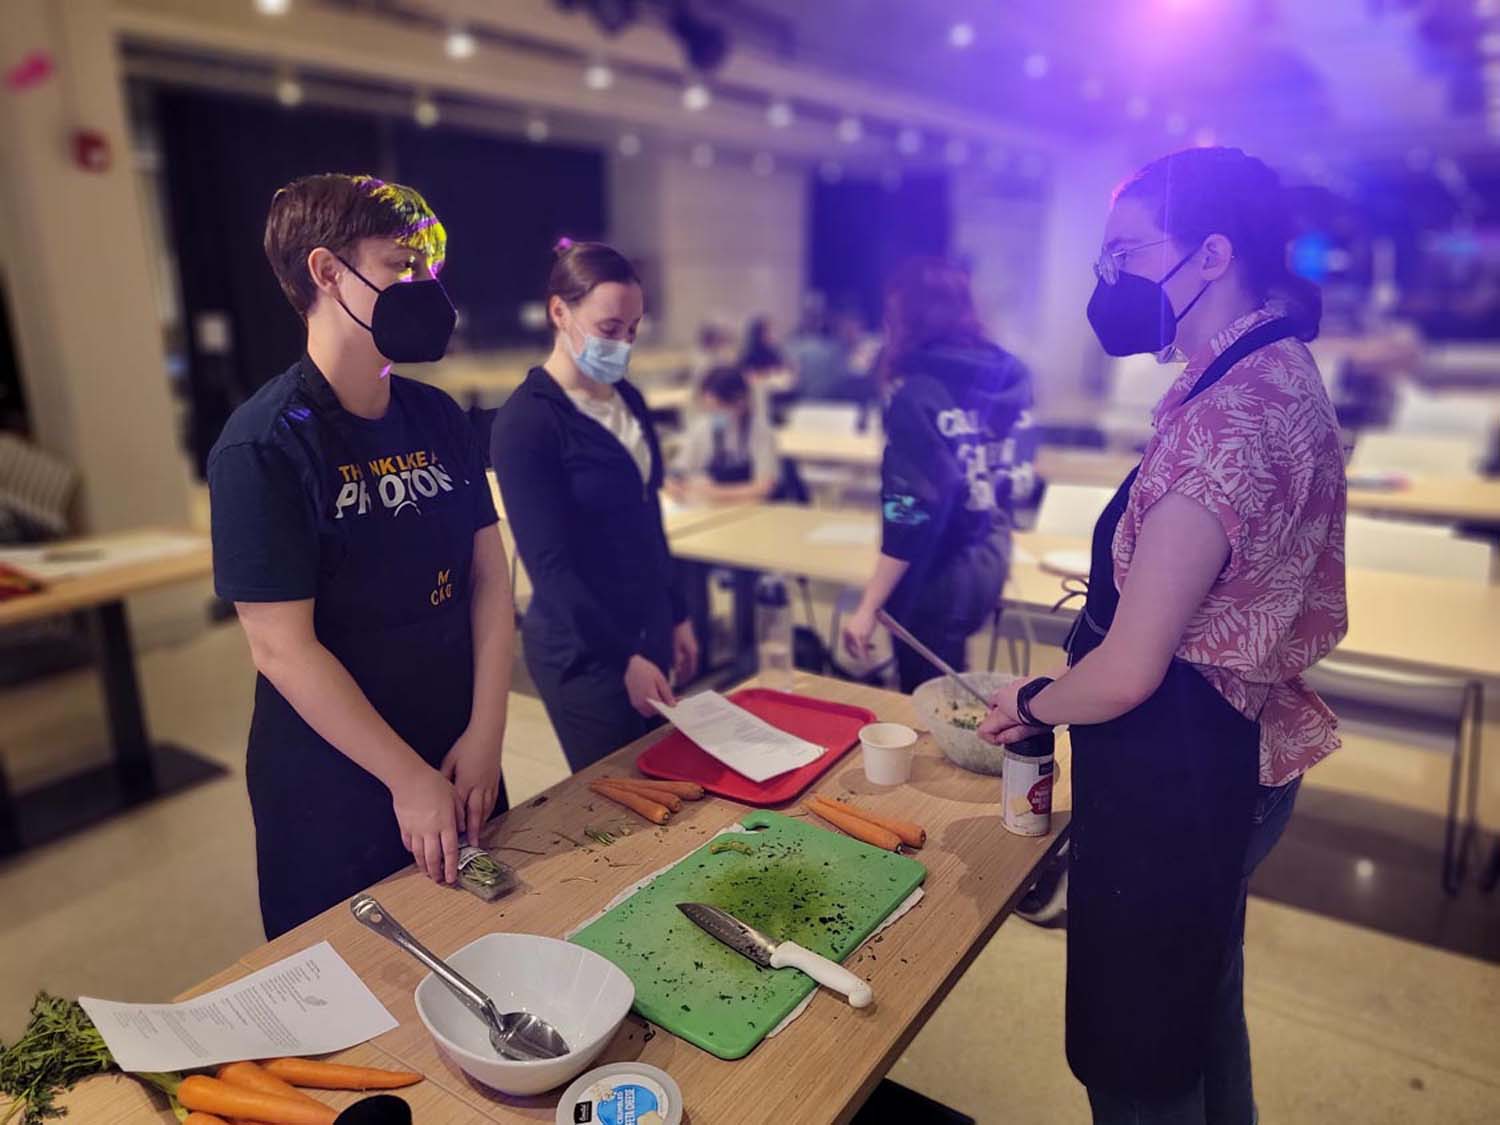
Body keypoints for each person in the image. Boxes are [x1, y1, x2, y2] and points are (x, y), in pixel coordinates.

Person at [980, 147, 1348, 1124]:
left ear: (1212, 255)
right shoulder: (1275, 367)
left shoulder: (1229, 414)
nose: (1110, 282)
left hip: (1184, 770)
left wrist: (1027, 702)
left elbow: (1130, 673)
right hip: (1234, 752)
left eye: (1127, 254)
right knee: (1200, 1006)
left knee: (1139, 1049)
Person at [208, 174, 514, 939]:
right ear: (325, 272)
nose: (425, 289)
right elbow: (282, 648)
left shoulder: (437, 416)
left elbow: (489, 579)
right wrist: (405, 776)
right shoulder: (265, 444)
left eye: (430, 270)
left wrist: (487, 731)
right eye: (400, 266)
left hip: (457, 754)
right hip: (337, 779)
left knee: (490, 950)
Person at [491, 241, 697, 772]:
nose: (624, 344)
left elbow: (649, 517)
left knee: (669, 782)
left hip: (646, 629)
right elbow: (550, 567)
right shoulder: (527, 423)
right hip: (585, 652)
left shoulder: (630, 400)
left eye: (633, 330)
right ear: (559, 311)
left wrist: (677, 614)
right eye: (610, 329)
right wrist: (622, 660)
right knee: (623, 800)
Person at [841, 258, 1034, 693]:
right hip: (989, 559)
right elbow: (1016, 476)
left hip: (935, 574)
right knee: (951, 691)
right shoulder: (1005, 381)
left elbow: (910, 511)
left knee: (926, 703)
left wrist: (869, 605)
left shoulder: (917, 393)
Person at [668, 365, 780, 504]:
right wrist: (674, 483)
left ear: (740, 403)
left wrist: (714, 492)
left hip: (753, 509)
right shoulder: (702, 428)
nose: (713, 415)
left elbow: (765, 487)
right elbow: (680, 469)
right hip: (712, 508)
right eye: (708, 409)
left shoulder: (759, 431)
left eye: (718, 408)